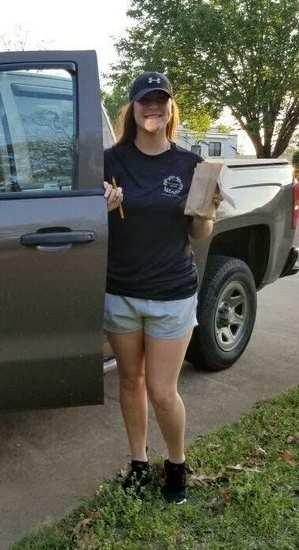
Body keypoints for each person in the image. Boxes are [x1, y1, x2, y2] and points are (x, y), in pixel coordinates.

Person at [103, 71, 220, 504]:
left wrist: (208, 210)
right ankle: (138, 462)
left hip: (172, 294)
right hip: (120, 293)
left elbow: (199, 233)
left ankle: (176, 463)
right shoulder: (109, 161)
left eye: (161, 101)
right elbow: (90, 225)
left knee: (162, 391)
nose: (152, 108)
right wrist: (102, 208)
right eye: (144, 101)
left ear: (170, 109)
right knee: (130, 382)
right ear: (131, 110)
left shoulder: (190, 165)